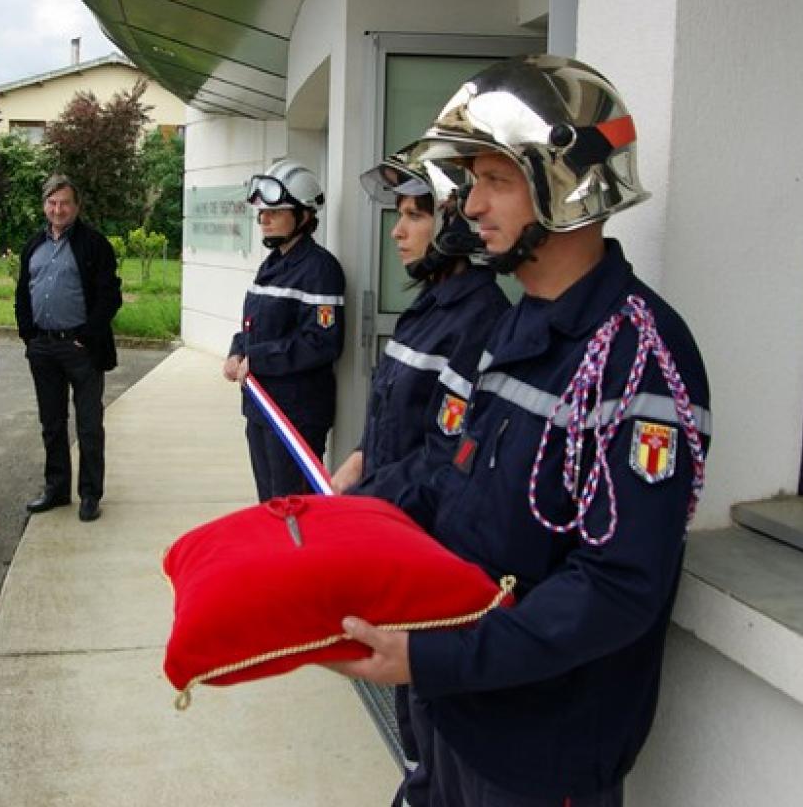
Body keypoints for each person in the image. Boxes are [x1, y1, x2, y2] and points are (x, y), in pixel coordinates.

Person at [331, 56, 711, 807]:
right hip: (458, 711)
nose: (469, 207)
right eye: (472, 181)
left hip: (540, 751)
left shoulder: (640, 359)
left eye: (495, 180)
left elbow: (615, 588)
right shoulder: (515, 325)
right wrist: (352, 521)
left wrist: (437, 657)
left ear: (563, 186)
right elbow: (453, 478)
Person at [331, 145, 509, 807]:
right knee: (415, 720)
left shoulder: (480, 320)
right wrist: (356, 461)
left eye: (414, 215)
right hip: (398, 538)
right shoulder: (431, 308)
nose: (398, 230)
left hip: (433, 555)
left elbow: (444, 456)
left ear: (456, 222)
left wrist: (360, 507)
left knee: (434, 717)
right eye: (398, 215)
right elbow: (392, 417)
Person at [223, 158, 345, 502]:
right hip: (262, 407)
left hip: (296, 413)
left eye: (274, 213)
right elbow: (255, 325)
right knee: (270, 505)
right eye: (262, 213)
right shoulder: (274, 263)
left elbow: (322, 342)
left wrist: (256, 358)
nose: (264, 219)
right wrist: (237, 350)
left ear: (303, 216)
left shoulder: (320, 269)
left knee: (295, 508)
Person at [16, 175, 122, 523]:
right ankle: (57, 489)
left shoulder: (95, 244)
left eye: (64, 202)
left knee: (89, 426)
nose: (57, 209)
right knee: (52, 423)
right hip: (43, 347)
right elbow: (22, 293)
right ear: (44, 205)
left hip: (82, 349)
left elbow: (110, 296)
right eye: (51, 202)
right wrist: (28, 335)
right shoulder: (33, 245)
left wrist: (87, 337)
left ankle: (90, 494)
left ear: (76, 206)